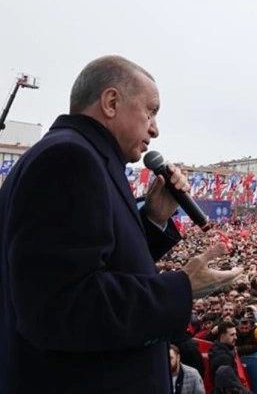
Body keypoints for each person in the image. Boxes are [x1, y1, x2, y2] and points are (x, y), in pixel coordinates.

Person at [0, 55, 244, 393]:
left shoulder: (81, 156)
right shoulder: (70, 160)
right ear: (111, 102)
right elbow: (62, 305)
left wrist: (153, 218)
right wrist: (181, 287)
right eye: (151, 111)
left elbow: (99, 261)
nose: (155, 129)